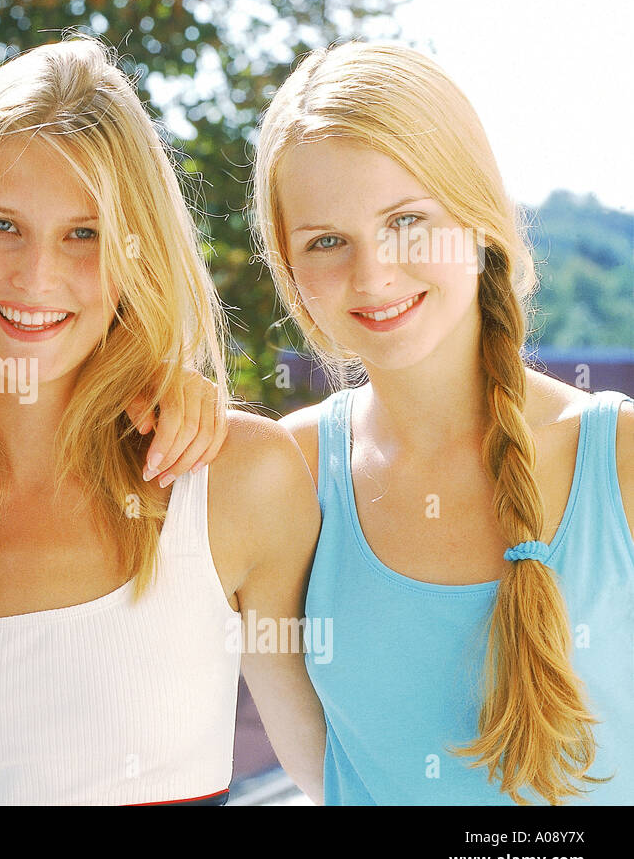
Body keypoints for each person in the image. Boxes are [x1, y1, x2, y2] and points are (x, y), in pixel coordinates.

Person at [0, 38, 325, 805]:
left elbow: (337, 772)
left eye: (84, 234)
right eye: (1, 225)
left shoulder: (239, 478)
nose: (36, 275)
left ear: (137, 254)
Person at [254, 41, 633, 805]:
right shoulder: (280, 475)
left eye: (406, 221)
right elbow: (322, 774)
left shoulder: (619, 457)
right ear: (290, 270)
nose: (374, 274)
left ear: (480, 217)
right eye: (326, 241)